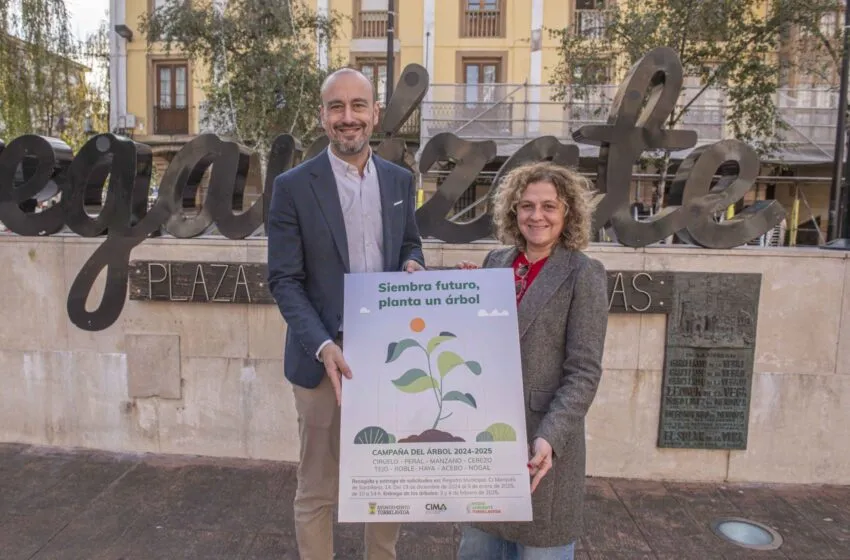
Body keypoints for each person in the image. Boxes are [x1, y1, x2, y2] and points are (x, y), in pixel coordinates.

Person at [266, 67, 425, 560]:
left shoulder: (401, 179)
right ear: (322, 116)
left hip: (388, 361)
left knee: (386, 482)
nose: (348, 117)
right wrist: (324, 345)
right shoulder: (292, 187)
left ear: (375, 114)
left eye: (358, 106)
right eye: (337, 107)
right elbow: (285, 281)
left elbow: (409, 244)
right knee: (317, 488)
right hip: (321, 363)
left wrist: (414, 264)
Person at [456, 161, 608, 560]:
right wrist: (460, 299)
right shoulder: (494, 263)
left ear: (568, 213)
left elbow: (584, 372)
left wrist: (550, 437)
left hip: (544, 448)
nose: (536, 215)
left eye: (549, 206)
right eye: (526, 206)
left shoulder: (583, 274)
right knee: (479, 550)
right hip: (488, 443)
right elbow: (478, 346)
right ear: (513, 211)